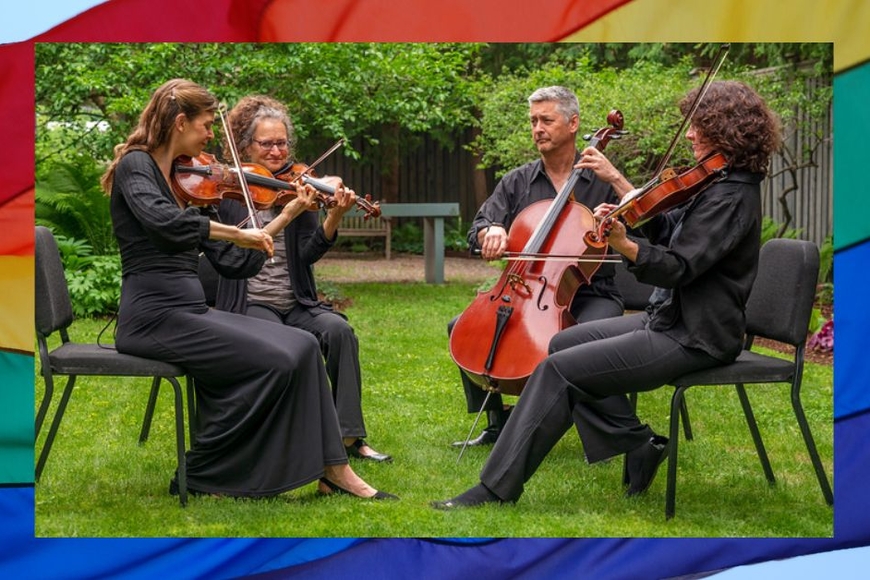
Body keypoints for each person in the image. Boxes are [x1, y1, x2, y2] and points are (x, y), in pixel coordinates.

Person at [433, 79, 781, 509]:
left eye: (700, 126)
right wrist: (637, 216)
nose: (690, 134)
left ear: (727, 129)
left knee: (558, 368)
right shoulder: (716, 183)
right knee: (560, 342)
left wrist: (623, 242)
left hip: (696, 335)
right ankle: (639, 445)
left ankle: (494, 488)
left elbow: (679, 268)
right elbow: (673, 235)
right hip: (669, 318)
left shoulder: (732, 196)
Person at [102, 78, 396, 500]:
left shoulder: (183, 182)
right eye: (206, 125)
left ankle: (335, 468)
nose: (210, 136)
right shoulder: (138, 166)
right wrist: (239, 234)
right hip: (152, 318)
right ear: (180, 122)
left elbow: (236, 262)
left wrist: (287, 213)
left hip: (189, 312)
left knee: (304, 346)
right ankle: (205, 471)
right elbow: (165, 223)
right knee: (276, 359)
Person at [448, 86, 632, 447]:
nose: (537, 129)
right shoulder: (517, 181)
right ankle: (497, 422)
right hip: (527, 290)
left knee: (576, 344)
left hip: (592, 293)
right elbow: (478, 227)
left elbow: (647, 224)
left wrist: (617, 180)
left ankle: (614, 436)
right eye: (533, 121)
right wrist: (491, 230)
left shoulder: (602, 179)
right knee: (465, 327)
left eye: (546, 120)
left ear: (573, 123)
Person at [215, 95, 391, 463]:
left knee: (339, 332)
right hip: (251, 302)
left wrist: (333, 217)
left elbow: (307, 255)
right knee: (288, 343)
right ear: (246, 145)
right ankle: (294, 438)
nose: (278, 151)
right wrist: (282, 211)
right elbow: (227, 258)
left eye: (282, 143)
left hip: (297, 302)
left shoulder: (299, 187)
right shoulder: (231, 191)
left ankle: (349, 438)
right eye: (267, 144)